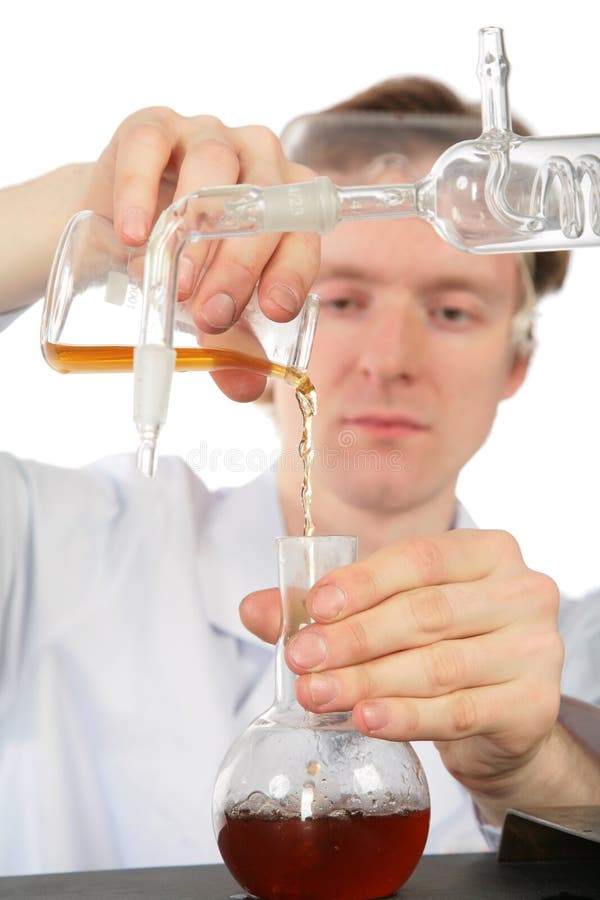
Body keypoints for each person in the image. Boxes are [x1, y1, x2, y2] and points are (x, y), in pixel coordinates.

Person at [0, 76, 599, 877]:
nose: (389, 362)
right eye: (344, 300)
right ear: (269, 319)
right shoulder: (52, 549)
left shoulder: (577, 657)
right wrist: (82, 211)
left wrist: (539, 774)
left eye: (453, 310)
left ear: (517, 360)